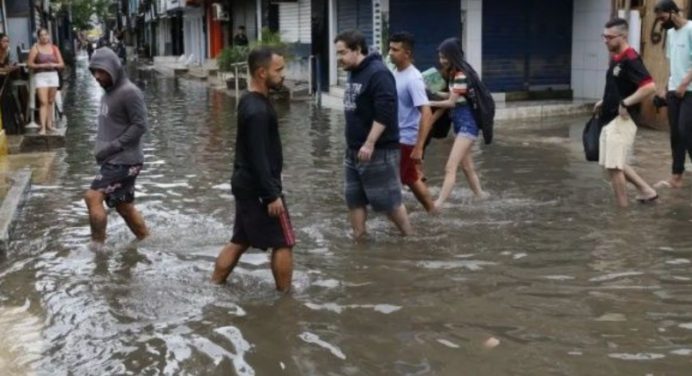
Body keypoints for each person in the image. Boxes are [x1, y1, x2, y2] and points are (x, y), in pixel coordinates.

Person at [211, 47, 294, 292]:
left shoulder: (249, 100)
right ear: (261, 73)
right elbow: (258, 156)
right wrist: (271, 195)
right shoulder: (257, 110)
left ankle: (214, 285)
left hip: (246, 184)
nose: (283, 75)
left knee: (240, 239)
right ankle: (285, 299)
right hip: (259, 189)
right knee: (284, 242)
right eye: (278, 70)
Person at [334, 29, 412, 239]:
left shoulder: (378, 73)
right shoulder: (353, 71)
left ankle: (410, 238)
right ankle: (359, 237)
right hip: (353, 150)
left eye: (342, 53)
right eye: (337, 54)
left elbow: (385, 113)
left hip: (378, 150)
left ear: (357, 49)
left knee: (388, 202)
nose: (338, 59)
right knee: (354, 198)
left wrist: (369, 143)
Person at [84, 47, 149, 248]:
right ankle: (147, 240)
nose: (97, 76)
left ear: (113, 68)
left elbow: (140, 125)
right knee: (124, 207)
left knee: (93, 197)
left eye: (101, 71)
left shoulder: (129, 92)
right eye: (94, 71)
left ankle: (97, 248)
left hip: (123, 160)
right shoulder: (109, 92)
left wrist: (112, 147)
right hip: (115, 159)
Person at [592, 18, 658, 207]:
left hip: (622, 119)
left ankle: (622, 211)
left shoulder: (631, 59)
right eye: (603, 36)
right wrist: (604, 101)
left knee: (614, 166)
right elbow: (620, 86)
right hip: (610, 116)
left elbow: (649, 86)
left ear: (622, 36)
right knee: (612, 163)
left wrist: (626, 102)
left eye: (609, 37)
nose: (605, 40)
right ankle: (646, 191)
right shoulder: (617, 57)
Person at [429, 38, 487, 210]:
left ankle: (438, 204)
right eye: (440, 57)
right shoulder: (456, 74)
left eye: (445, 57)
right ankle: (481, 196)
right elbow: (451, 96)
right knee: (467, 166)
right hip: (462, 126)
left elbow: (451, 103)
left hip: (468, 127)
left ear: (453, 56)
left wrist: (429, 103)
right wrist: (433, 92)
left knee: (450, 167)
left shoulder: (460, 75)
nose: (442, 61)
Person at [387, 31, 436, 213]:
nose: (390, 52)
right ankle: (433, 212)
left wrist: (419, 147)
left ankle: (403, 221)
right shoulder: (394, 72)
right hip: (395, 136)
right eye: (390, 48)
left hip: (406, 138)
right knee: (410, 178)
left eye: (395, 49)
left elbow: (427, 112)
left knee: (400, 181)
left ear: (407, 53)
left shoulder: (413, 78)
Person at [653, 0, 692, 189]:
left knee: (685, 130)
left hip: (689, 91)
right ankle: (676, 177)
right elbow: (672, 64)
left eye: (662, 17)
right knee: (675, 134)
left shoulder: (691, 29)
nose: (660, 22)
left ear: (672, 12)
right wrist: (664, 88)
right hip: (673, 91)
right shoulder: (669, 33)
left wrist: (684, 84)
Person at [27, 28, 64, 135]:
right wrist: (41, 65)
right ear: (38, 37)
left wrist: (54, 65)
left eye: (46, 35)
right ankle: (42, 127)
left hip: (53, 75)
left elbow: (62, 64)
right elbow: (29, 64)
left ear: (49, 36)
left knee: (51, 101)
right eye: (42, 35)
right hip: (40, 76)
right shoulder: (35, 48)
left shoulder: (54, 48)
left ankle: (50, 125)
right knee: (43, 102)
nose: (44, 37)